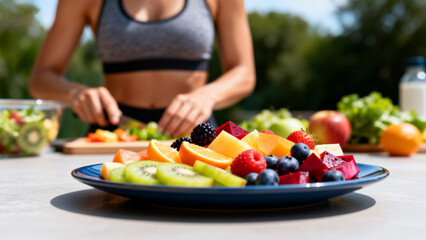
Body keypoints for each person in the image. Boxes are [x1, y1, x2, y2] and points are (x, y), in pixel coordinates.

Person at [29, 0, 255, 137]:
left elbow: (244, 72)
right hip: (113, 135)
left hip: (195, 135)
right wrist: (76, 94)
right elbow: (41, 78)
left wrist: (208, 96)